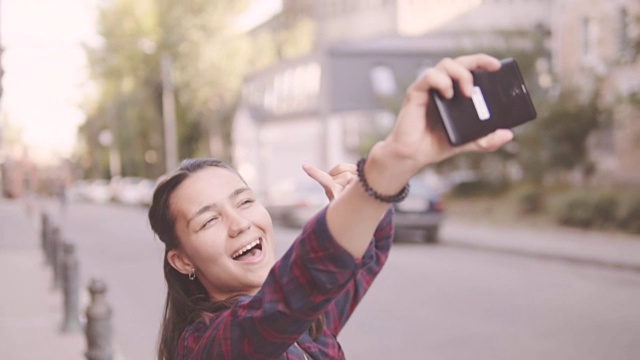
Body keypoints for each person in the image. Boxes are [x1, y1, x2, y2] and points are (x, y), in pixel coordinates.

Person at [147, 53, 514, 359]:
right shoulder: (206, 347)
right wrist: (388, 166)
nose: (239, 223)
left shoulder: (307, 323)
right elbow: (296, 288)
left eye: (244, 201)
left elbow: (358, 260)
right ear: (182, 260)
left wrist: (360, 196)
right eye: (209, 220)